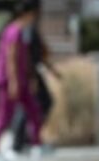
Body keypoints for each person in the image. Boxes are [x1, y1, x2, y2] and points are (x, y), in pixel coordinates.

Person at [0, 0, 46, 160]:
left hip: (21, 79)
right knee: (4, 114)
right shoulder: (14, 30)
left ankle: (36, 145)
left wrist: (30, 77)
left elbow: (24, 57)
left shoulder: (22, 30)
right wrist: (13, 82)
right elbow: (11, 57)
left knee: (34, 111)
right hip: (10, 80)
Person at [11, 20, 61, 155]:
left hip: (32, 75)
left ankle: (28, 140)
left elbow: (41, 57)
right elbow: (28, 58)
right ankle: (19, 143)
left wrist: (53, 71)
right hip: (29, 76)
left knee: (39, 106)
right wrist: (31, 77)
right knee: (26, 108)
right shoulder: (26, 32)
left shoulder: (32, 32)